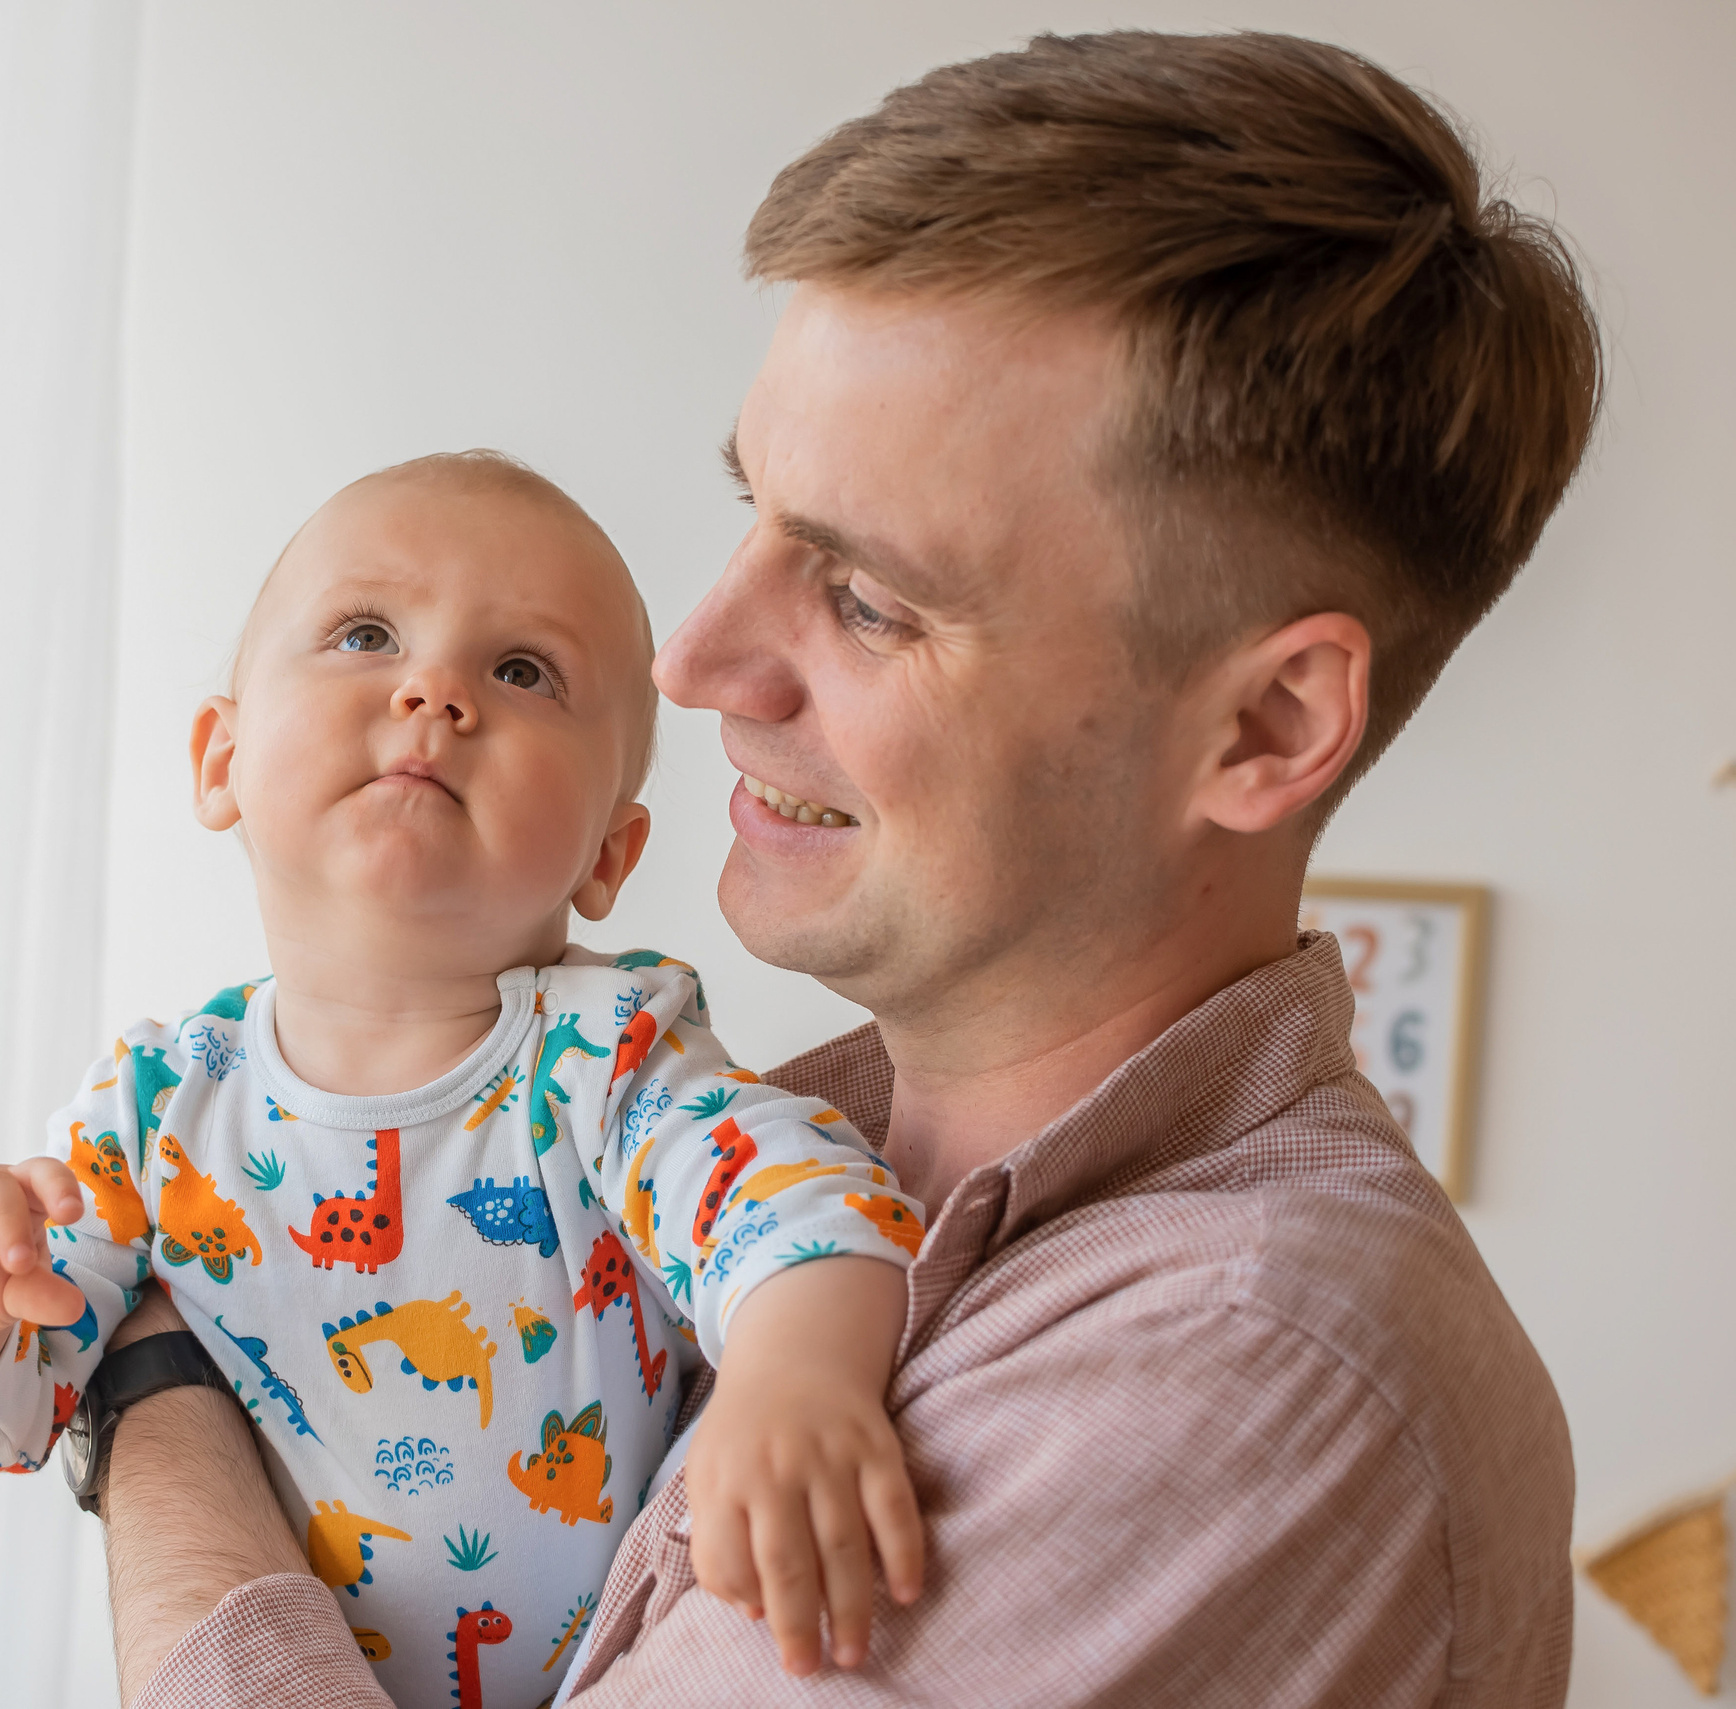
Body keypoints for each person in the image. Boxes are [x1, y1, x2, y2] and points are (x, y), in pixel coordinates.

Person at [92, 30, 1601, 1708]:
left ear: (1262, 722)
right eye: (755, 514)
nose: (695, 661)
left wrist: (159, 1395)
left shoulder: (1243, 1363)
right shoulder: (740, 1147)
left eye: (870, 598)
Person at [0, 452, 934, 1709]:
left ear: (607, 854)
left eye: (522, 670)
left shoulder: (615, 1054)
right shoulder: (148, 1115)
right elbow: (22, 1403)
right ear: (219, 760)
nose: (435, 690)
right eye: (365, 633)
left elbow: (803, 1205)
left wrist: (800, 1375)